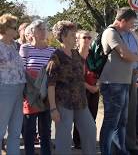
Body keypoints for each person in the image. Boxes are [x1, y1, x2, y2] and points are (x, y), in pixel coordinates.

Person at [99, 7, 138, 155]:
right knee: (111, 122)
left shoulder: (121, 33)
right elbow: (125, 54)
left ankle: (120, 150)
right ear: (122, 20)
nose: (132, 26)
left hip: (123, 82)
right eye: (131, 22)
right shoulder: (110, 32)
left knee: (122, 122)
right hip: (112, 83)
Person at [47, 20, 97, 154]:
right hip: (63, 103)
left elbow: (80, 77)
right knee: (64, 140)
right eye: (72, 35)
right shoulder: (55, 57)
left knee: (90, 131)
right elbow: (50, 84)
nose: (75, 37)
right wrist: (53, 108)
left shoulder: (76, 54)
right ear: (63, 37)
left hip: (81, 101)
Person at [19, 20, 55, 155]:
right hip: (30, 95)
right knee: (29, 131)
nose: (43, 31)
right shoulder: (25, 48)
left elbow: (54, 73)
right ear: (31, 33)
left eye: (44, 29)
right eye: (39, 29)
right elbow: (22, 70)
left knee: (45, 131)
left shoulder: (52, 50)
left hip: (46, 95)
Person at [0, 14, 26, 155]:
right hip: (4, 90)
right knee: (1, 128)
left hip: (19, 90)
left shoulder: (16, 46)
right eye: (14, 27)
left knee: (16, 130)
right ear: (5, 28)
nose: (16, 30)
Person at [72, 30, 100, 149]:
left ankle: (88, 140)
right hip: (81, 90)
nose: (88, 40)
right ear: (77, 40)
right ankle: (78, 142)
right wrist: (89, 87)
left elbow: (101, 71)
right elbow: (74, 77)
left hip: (95, 88)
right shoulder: (74, 56)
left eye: (89, 37)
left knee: (92, 116)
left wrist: (97, 86)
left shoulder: (94, 54)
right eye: (85, 37)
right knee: (80, 117)